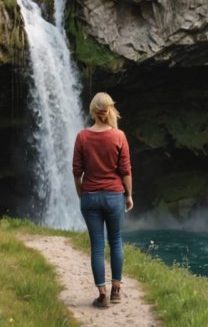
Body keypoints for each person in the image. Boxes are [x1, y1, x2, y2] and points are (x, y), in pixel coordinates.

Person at [72, 92, 133, 308]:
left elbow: (76, 170)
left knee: (97, 246)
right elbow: (125, 171)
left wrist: (81, 192)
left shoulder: (82, 137)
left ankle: (102, 295)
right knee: (115, 241)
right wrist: (129, 195)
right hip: (114, 195)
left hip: (90, 196)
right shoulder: (119, 136)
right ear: (109, 110)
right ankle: (117, 290)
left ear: (92, 111)